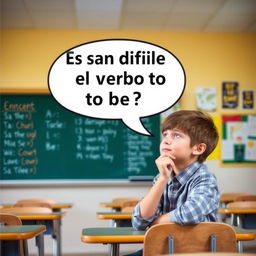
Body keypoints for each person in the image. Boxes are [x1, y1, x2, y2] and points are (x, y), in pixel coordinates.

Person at [126, 110, 219, 256]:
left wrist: (155, 223)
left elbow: (191, 213)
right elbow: (139, 222)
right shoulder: (163, 177)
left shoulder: (205, 178)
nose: (166, 140)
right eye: (165, 134)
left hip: (196, 252)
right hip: (164, 249)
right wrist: (162, 179)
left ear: (198, 148)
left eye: (176, 135)